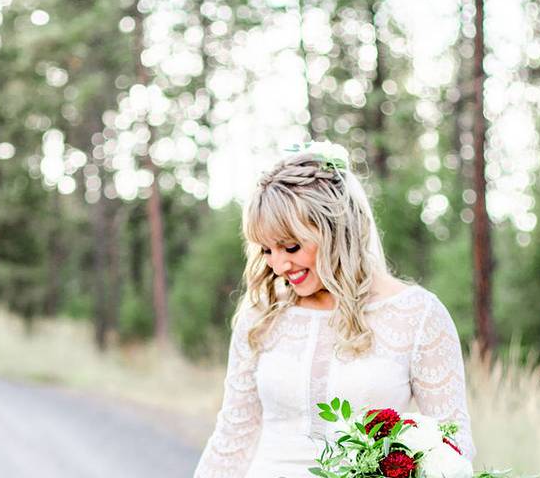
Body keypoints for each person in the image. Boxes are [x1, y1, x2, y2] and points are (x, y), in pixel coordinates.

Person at [193, 141, 476, 478]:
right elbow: (232, 438)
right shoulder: (262, 315)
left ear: (337, 230)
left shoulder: (418, 315)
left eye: (291, 246)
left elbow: (452, 445)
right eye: (267, 249)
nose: (279, 265)